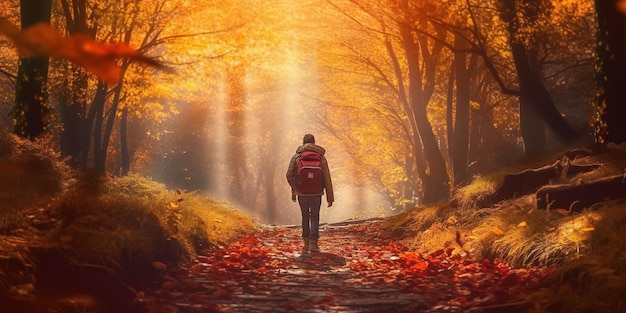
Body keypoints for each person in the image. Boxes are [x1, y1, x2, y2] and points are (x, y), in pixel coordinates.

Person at [286, 134, 334, 252]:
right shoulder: (321, 158)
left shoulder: (297, 157)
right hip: (317, 193)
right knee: (315, 217)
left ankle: (306, 242)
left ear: (303, 143)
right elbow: (327, 177)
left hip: (301, 193)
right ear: (314, 142)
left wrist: (295, 188)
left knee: (305, 216)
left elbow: (289, 174)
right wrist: (330, 197)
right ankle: (314, 243)